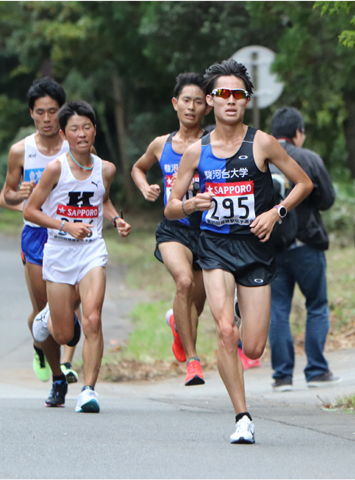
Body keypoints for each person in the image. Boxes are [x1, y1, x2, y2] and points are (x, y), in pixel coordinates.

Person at [165, 59, 312, 444]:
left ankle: (230, 309)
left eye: (238, 94)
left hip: (255, 249)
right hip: (214, 247)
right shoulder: (196, 152)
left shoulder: (261, 142)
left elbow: (303, 184)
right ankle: (242, 417)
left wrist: (275, 212)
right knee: (227, 332)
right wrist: (190, 206)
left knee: (254, 344)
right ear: (211, 101)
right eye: (223, 94)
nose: (231, 101)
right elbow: (170, 206)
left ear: (247, 100)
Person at [24, 100, 131, 412]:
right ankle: (48, 317)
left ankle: (88, 390)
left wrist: (115, 220)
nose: (82, 134)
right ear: (64, 134)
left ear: (95, 131)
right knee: (62, 334)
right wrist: (65, 225)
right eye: (74, 129)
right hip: (58, 251)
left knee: (93, 318)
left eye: (87, 127)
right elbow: (31, 210)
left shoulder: (106, 169)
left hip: (91, 251)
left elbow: (104, 201)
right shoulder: (55, 169)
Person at [131, 73, 210, 386]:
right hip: (173, 228)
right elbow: (138, 167)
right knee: (183, 282)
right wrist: (144, 187)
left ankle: (178, 324)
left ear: (208, 107)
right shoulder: (161, 144)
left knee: (196, 307)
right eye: (186, 100)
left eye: (199, 102)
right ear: (176, 104)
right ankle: (193, 362)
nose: (191, 107)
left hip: (207, 232)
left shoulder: (212, 143)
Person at [3, 78, 79, 384]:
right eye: (40, 112)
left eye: (52, 111)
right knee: (43, 309)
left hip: (71, 234)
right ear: (31, 113)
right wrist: (19, 197)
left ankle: (64, 358)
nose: (47, 119)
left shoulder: (76, 146)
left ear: (61, 112)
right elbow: (5, 195)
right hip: (36, 236)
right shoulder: (21, 151)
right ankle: (52, 363)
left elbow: (96, 184)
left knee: (72, 306)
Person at [267, 107, 339, 392]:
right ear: (298, 133)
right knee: (317, 306)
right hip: (307, 244)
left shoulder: (261, 159)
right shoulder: (308, 158)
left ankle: (282, 376)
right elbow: (327, 199)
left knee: (278, 310)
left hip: (271, 246)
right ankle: (317, 371)